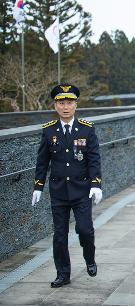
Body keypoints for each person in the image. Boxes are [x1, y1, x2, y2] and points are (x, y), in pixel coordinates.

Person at [32, 84, 102, 288]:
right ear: (55, 105)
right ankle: (63, 273)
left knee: (85, 230)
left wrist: (96, 184)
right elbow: (42, 162)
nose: (65, 107)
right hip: (59, 191)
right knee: (60, 236)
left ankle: (89, 258)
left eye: (69, 103)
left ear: (75, 105)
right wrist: (38, 186)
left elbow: (94, 159)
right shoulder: (48, 131)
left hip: (81, 189)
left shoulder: (87, 129)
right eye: (61, 103)